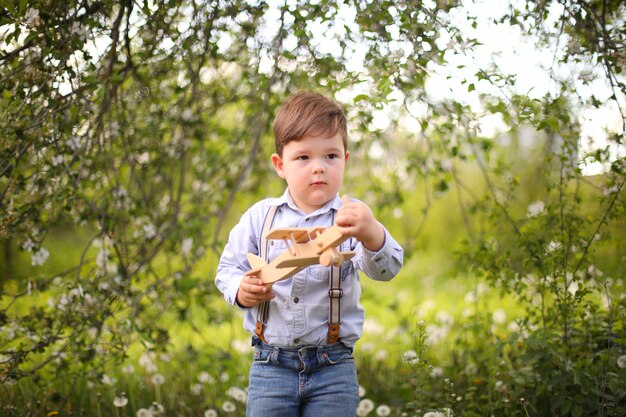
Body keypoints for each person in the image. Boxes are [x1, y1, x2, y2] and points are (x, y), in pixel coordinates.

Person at [215, 91, 403, 417]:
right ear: (280, 165)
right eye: (303, 158)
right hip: (271, 366)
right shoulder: (261, 217)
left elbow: (386, 270)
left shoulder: (351, 218)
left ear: (345, 159)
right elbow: (227, 268)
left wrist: (372, 233)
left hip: (334, 366)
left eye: (330, 156)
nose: (318, 168)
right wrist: (241, 291)